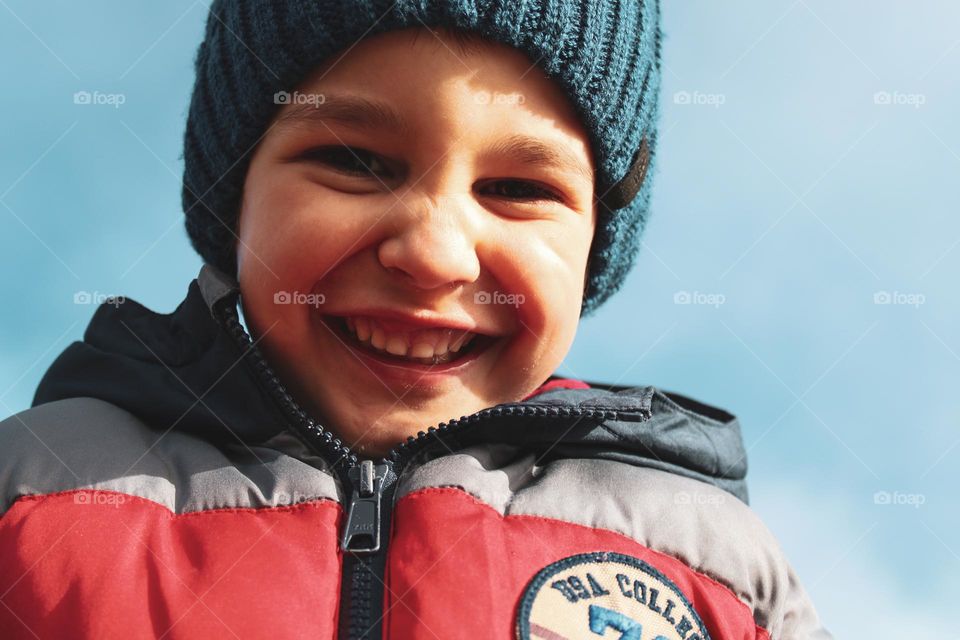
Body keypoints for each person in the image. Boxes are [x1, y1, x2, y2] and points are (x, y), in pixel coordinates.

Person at [0, 1, 832, 638]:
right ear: (237, 201)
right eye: (354, 162)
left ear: (593, 247)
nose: (435, 254)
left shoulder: (716, 570)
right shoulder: (34, 491)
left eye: (518, 189)